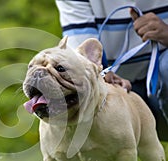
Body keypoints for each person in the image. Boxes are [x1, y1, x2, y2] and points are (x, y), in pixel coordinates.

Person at [55, 0, 168, 140]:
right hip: (115, 89)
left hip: (163, 83)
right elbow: (83, 58)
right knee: (84, 85)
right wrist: (101, 76)